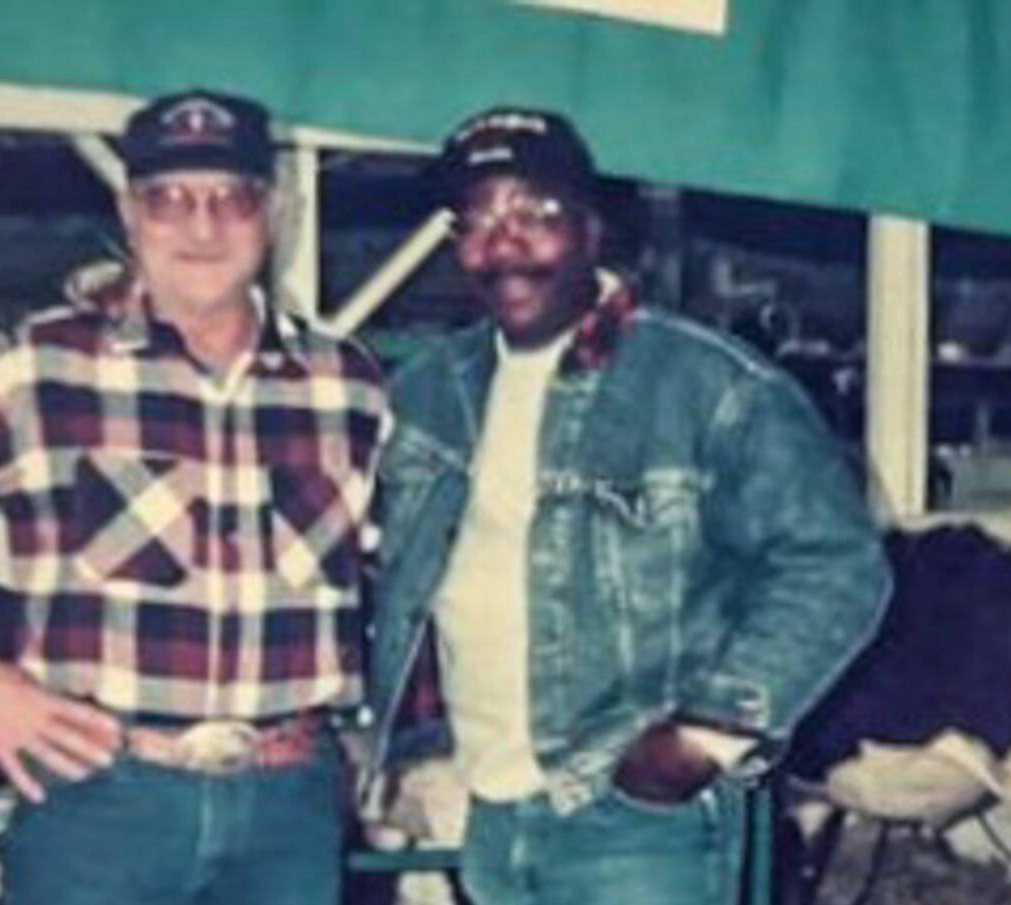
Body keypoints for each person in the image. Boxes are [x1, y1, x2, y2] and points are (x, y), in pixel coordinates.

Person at [0, 89, 388, 905]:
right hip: (100, 799)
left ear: (274, 210)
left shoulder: (348, 382)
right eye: (170, 198)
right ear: (129, 211)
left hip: (288, 809)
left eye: (231, 198)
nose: (202, 225)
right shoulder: (38, 364)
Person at [365, 107, 890, 905]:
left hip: (638, 823)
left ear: (592, 228)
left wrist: (704, 736)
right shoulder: (427, 394)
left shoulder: (710, 387)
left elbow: (838, 563)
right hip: (489, 810)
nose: (503, 243)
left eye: (535, 214)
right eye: (476, 220)